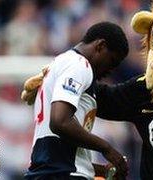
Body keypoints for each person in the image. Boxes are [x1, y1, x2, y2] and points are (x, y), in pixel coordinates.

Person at [23, 22, 129, 180]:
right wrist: (106, 148)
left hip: (50, 172)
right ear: (100, 45)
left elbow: (58, 151)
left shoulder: (60, 63)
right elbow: (60, 122)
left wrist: (103, 171)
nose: (110, 71)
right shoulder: (79, 64)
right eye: (112, 61)